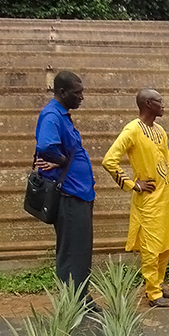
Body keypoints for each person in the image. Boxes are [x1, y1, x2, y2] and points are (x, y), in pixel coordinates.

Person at [102, 89, 169, 307]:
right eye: (160, 101)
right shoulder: (132, 130)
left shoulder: (160, 131)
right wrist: (132, 184)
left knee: (167, 244)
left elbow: (167, 164)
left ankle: (158, 284)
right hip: (148, 200)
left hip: (166, 198)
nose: (164, 104)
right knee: (151, 246)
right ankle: (152, 293)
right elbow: (109, 161)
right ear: (148, 104)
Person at [34, 71, 98, 310]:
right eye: (77, 93)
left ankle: (80, 297)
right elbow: (46, 146)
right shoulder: (52, 115)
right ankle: (74, 303)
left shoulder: (62, 115)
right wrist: (60, 161)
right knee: (72, 251)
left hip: (79, 193)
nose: (81, 97)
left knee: (79, 249)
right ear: (62, 92)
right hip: (69, 194)